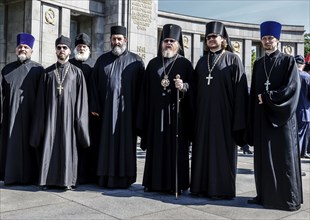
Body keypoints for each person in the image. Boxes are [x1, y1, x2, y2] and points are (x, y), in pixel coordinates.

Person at [247, 21, 303, 211]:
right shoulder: (259, 63)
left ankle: (287, 199)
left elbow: (292, 88)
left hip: (282, 119)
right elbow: (254, 92)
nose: (267, 41)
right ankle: (264, 195)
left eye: (270, 38)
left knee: (283, 158)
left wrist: (269, 97)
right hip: (263, 119)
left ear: (277, 40)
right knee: (263, 158)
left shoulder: (288, 61)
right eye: (264, 38)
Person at [190, 21, 249, 199]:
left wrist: (238, 121)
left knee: (221, 154)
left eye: (214, 36)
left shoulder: (233, 59)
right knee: (202, 152)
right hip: (203, 116)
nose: (211, 39)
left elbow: (241, 92)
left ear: (222, 39)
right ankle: (200, 188)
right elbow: (194, 89)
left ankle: (221, 190)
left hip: (224, 117)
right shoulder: (201, 62)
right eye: (208, 37)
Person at [137, 24, 193, 194]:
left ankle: (176, 184)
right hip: (155, 116)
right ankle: (153, 183)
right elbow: (144, 92)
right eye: (166, 41)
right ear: (161, 43)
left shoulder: (185, 64)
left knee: (176, 150)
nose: (168, 44)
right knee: (156, 149)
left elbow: (194, 88)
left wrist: (183, 86)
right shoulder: (153, 64)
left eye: (172, 41)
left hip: (177, 116)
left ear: (178, 44)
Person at [30, 35, 90, 190]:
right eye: (59, 47)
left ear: (70, 50)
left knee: (68, 148)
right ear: (55, 50)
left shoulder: (77, 73)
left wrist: (80, 125)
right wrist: (40, 124)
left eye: (65, 47)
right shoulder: (47, 73)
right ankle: (47, 180)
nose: (61, 50)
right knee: (49, 147)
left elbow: (82, 102)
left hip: (69, 121)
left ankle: (67, 181)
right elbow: (40, 102)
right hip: (50, 119)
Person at [91, 26, 145, 188]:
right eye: (114, 39)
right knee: (104, 146)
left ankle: (124, 178)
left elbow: (142, 89)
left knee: (125, 147)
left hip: (126, 115)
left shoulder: (136, 61)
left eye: (119, 39)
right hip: (105, 114)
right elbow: (93, 85)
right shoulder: (102, 60)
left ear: (125, 40)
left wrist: (138, 113)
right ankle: (103, 177)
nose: (116, 42)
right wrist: (94, 107)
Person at [0, 33, 44, 185]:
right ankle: (11, 177)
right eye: (20, 47)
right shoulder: (6, 70)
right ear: (16, 49)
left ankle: (30, 177)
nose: (22, 49)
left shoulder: (38, 70)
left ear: (31, 50)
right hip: (10, 117)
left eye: (26, 47)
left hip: (32, 116)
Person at [69, 33, 99, 184]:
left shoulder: (93, 65)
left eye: (84, 46)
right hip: (71, 111)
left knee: (88, 143)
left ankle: (89, 176)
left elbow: (95, 88)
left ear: (89, 48)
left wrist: (94, 107)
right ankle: (73, 174)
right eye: (79, 46)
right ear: (75, 48)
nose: (82, 48)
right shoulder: (69, 64)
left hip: (88, 112)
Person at [294, 55, 310, 159]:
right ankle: (296, 164)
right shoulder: (307, 77)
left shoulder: (289, 76)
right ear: (303, 65)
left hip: (291, 111)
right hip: (304, 111)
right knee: (299, 137)